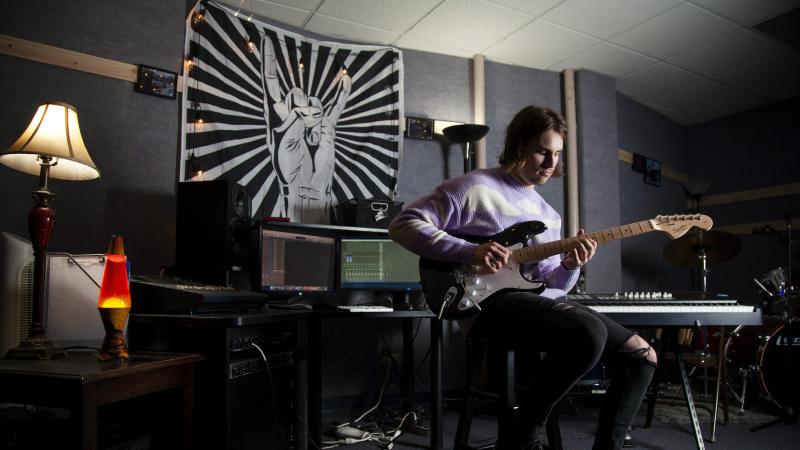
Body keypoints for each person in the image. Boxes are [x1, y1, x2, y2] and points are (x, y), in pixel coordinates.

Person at [389, 105, 657, 450]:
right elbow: (403, 225)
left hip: (532, 304)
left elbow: (552, 285)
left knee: (642, 355)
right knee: (589, 332)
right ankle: (521, 438)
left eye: (557, 154)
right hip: (481, 304)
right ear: (518, 145)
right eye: (543, 151)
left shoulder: (549, 216)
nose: (551, 164)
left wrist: (572, 264)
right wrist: (469, 251)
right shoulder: (474, 186)